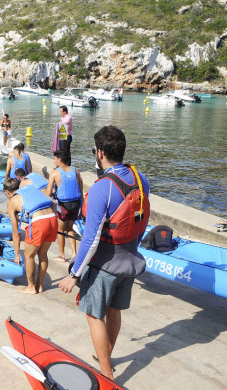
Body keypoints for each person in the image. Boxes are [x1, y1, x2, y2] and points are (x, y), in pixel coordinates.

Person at [59, 126, 150, 381]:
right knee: (114, 310)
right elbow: (141, 219)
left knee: (93, 314)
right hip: (130, 261)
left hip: (105, 265)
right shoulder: (140, 178)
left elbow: (90, 239)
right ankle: (105, 354)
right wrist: (133, 250)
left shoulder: (103, 187)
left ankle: (106, 374)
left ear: (99, 153)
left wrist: (74, 274)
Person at [5, 178, 57, 294]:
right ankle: (39, 286)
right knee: (43, 255)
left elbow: (16, 232)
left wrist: (17, 254)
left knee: (29, 256)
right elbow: (53, 202)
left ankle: (31, 287)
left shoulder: (13, 200)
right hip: (52, 218)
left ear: (8, 192)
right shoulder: (32, 189)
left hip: (39, 222)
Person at [46, 150, 83, 263]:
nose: (54, 161)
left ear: (60, 160)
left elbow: (48, 193)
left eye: (55, 159)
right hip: (75, 205)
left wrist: (53, 195)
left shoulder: (55, 173)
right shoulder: (75, 171)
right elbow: (80, 189)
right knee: (70, 229)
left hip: (63, 206)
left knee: (60, 230)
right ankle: (74, 254)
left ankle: (62, 256)